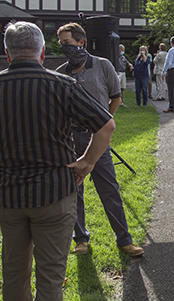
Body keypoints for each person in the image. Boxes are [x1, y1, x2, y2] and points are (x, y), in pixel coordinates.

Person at [0, 21, 115, 301]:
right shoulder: (63, 85)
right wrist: (87, 162)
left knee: (14, 274)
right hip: (54, 193)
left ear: (7, 53)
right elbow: (105, 125)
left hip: (9, 195)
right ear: (43, 53)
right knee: (50, 278)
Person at [55, 23, 144, 258]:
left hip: (97, 138)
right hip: (70, 138)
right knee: (74, 190)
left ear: (81, 42)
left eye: (67, 42)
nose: (64, 47)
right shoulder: (60, 72)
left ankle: (124, 239)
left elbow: (116, 97)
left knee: (109, 189)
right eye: (61, 44)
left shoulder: (103, 65)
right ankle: (81, 238)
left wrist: (104, 124)